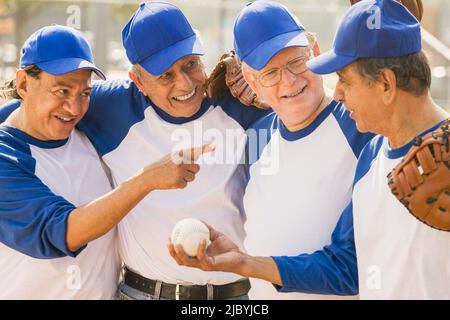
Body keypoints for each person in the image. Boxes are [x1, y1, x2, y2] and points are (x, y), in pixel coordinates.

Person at [169, 0, 450, 299]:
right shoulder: (373, 154)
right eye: (270, 73)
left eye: (344, 80)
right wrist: (246, 263)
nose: (337, 92)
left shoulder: (374, 136)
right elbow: (345, 265)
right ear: (252, 79)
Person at [77, 2, 268, 300]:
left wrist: (253, 71)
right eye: (165, 76)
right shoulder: (110, 108)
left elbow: (301, 88)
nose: (185, 83)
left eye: (191, 63)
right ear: (138, 80)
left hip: (235, 296)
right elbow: (34, 106)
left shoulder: (236, 101)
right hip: (142, 293)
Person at [0, 25, 206, 299]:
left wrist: (233, 74)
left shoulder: (89, 129)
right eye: (61, 92)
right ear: (24, 84)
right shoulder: (6, 157)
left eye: (84, 93)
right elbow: (61, 231)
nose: (74, 108)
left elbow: (152, 88)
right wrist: (148, 179)